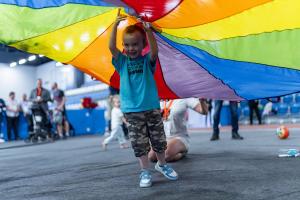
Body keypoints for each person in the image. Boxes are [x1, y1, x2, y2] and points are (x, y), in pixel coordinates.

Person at [109, 10, 178, 188]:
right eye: (127, 45)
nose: (131, 48)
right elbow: (111, 48)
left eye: (135, 44)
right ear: (123, 45)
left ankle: (162, 165)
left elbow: (154, 51)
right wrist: (115, 26)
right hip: (132, 110)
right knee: (139, 143)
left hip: (151, 107)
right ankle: (145, 171)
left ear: (142, 45)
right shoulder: (122, 62)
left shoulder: (148, 61)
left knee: (159, 140)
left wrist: (148, 31)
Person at [149, 98, 208, 162]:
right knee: (151, 157)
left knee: (165, 156)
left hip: (179, 137)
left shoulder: (184, 97)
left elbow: (204, 112)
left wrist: (202, 101)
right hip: (163, 137)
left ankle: (182, 152)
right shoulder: (159, 97)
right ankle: (172, 151)